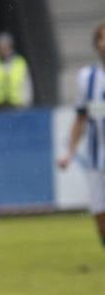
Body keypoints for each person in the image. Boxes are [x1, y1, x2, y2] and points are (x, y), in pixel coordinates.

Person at [56, 20, 105, 246]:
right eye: (102, 38)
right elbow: (81, 118)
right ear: (96, 44)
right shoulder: (88, 78)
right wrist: (69, 152)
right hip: (97, 158)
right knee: (100, 217)